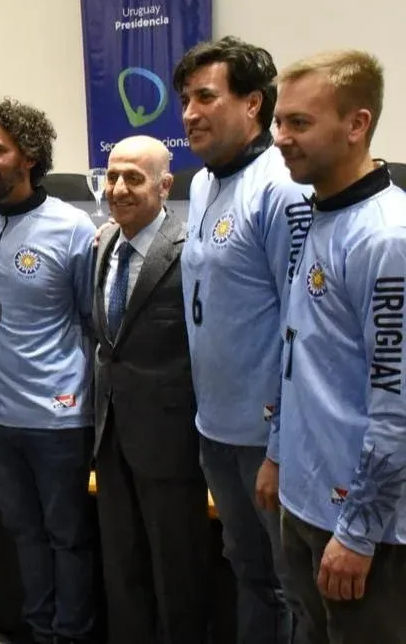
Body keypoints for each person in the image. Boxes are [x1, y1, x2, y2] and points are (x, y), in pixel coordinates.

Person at [174, 36, 313, 644]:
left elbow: (300, 325)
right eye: (185, 100)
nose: (189, 113)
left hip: (269, 438)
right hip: (215, 427)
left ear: (253, 103)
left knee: (291, 587)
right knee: (248, 572)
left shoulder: (283, 189)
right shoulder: (202, 185)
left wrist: (280, 445)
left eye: (206, 97)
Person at [266, 50, 406, 643]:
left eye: (299, 123)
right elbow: (298, 350)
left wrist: (359, 532)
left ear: (357, 124)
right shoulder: (315, 215)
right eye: (279, 121)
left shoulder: (387, 237)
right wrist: (277, 454)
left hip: (362, 526)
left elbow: (397, 403)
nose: (279, 138)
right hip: (303, 500)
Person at [0, 97, 98, 644]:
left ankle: (72, 635)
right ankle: (40, 630)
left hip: (56, 416)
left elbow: (92, 319)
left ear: (29, 156)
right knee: (23, 533)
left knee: (67, 538)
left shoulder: (72, 228)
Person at [92, 135, 210, 644]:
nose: (118, 188)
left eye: (133, 179)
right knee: (123, 573)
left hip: (169, 444)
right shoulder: (103, 245)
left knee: (177, 577)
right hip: (110, 436)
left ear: (165, 187)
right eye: (112, 176)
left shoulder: (191, 253)